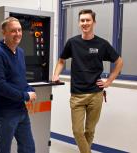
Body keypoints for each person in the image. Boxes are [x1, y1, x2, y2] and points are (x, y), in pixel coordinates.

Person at [52, 9, 123, 153]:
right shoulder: (72, 42)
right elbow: (61, 61)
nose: (85, 23)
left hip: (95, 95)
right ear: (79, 23)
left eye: (88, 20)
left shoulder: (102, 44)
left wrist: (109, 81)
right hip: (77, 95)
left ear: (94, 22)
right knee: (78, 131)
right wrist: (56, 74)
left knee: (90, 131)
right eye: (82, 20)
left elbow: (119, 61)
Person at [0, 17, 36, 153]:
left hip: (21, 110)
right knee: (4, 149)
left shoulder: (20, 52)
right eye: (13, 31)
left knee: (28, 148)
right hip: (4, 113)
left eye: (19, 30)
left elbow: (20, 79)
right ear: (4, 32)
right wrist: (25, 95)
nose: (18, 34)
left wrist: (29, 89)